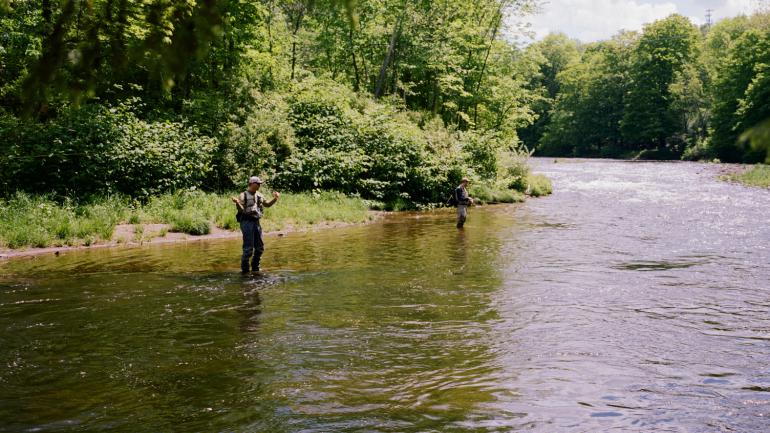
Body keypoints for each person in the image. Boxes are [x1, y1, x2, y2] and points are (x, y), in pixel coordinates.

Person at [232, 176, 280, 274]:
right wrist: (237, 203)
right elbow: (241, 210)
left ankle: (255, 269)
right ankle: (245, 272)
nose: (259, 185)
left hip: (256, 222)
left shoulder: (259, 195)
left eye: (260, 184)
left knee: (260, 248)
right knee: (248, 249)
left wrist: (275, 198)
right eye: (257, 183)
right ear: (251, 184)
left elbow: (267, 204)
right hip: (246, 222)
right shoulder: (243, 195)